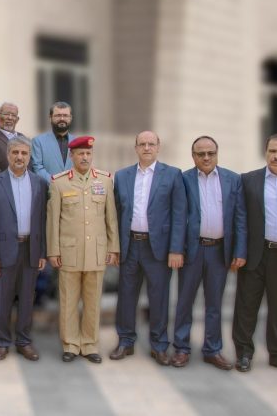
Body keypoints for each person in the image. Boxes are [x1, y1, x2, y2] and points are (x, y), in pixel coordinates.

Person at [111, 131, 186, 366]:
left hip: (159, 249)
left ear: (158, 147)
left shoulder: (172, 175)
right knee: (126, 296)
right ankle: (125, 341)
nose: (146, 148)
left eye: (151, 144)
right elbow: (115, 214)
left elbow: (179, 214)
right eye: (142, 144)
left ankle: (159, 345)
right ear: (135, 148)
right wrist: (115, 247)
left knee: (159, 297)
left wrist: (176, 249)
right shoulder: (122, 176)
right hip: (130, 245)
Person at [171, 136, 245, 370]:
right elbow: (178, 217)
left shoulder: (233, 179)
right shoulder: (183, 179)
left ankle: (212, 350)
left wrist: (239, 250)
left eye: (210, 153)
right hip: (192, 251)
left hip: (219, 251)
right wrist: (176, 249)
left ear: (217, 154)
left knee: (214, 303)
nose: (206, 157)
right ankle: (182, 348)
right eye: (200, 153)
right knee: (185, 301)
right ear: (193, 156)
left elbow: (240, 218)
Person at [47, 136, 119, 363]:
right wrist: (53, 251)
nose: (85, 157)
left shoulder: (105, 180)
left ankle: (89, 345)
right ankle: (70, 344)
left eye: (88, 153)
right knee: (68, 301)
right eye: (80, 154)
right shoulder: (59, 182)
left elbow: (111, 218)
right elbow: (53, 220)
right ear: (72, 156)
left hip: (96, 252)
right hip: (69, 252)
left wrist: (113, 248)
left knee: (93, 302)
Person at [0, 135, 47, 361]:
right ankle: (2, 342)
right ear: (8, 155)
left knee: (27, 299)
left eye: (24, 153)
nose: (20, 157)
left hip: (31, 249)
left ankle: (24, 341)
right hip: (3, 251)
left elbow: (43, 220)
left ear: (29, 156)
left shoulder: (40, 183)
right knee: (2, 299)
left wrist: (42, 252)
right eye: (15, 153)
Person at [232, 134, 277, 372]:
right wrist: (239, 251)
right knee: (246, 306)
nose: (275, 156)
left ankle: (275, 354)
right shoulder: (249, 180)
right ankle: (244, 354)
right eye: (272, 151)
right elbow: (240, 219)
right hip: (255, 254)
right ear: (266, 152)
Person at [31, 101, 76, 183]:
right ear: (50, 117)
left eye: (65, 115)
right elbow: (37, 168)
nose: (62, 119)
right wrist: (55, 183)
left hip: (73, 188)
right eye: (58, 115)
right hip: (48, 188)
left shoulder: (77, 142)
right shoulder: (38, 141)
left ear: (70, 118)